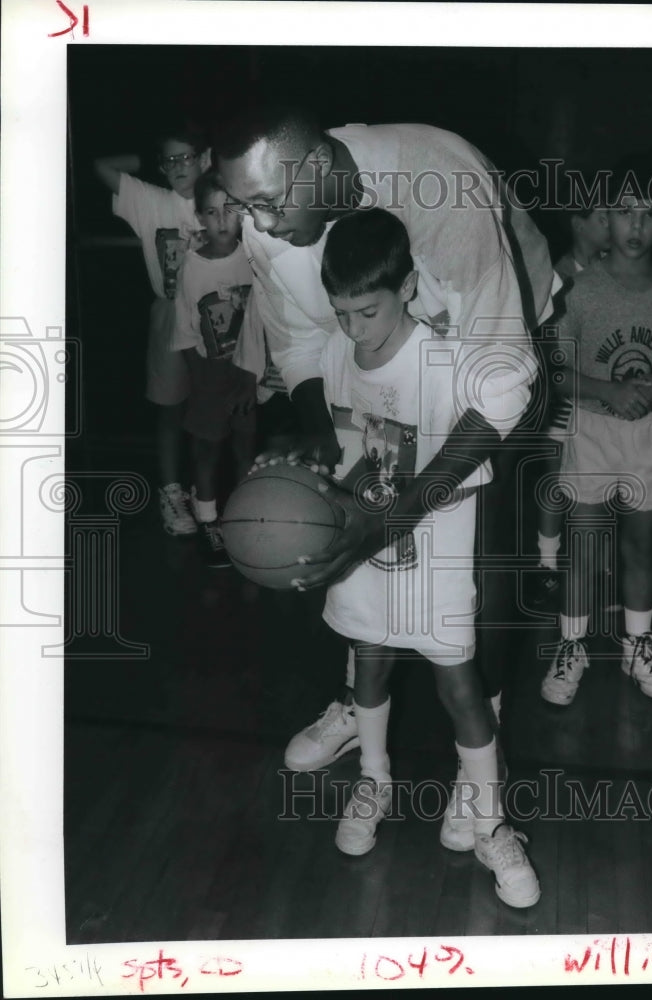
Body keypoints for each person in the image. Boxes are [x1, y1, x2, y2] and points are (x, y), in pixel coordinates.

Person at [212, 104, 560, 781]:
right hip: (374, 351)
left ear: (315, 168)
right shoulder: (277, 219)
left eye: (267, 203)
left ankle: (480, 747)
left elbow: (501, 390)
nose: (258, 222)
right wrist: (320, 440)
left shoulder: (437, 190)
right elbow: (302, 343)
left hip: (497, 343)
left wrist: (391, 519)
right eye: (243, 205)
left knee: (477, 557)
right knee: (355, 518)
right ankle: (359, 698)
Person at [308, 208, 540, 908]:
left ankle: (491, 819)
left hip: (435, 563)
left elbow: (511, 395)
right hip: (363, 559)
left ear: (408, 287)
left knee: (460, 688)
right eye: (341, 312)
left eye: (368, 311)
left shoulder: (448, 360)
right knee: (367, 672)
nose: (354, 329)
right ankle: (373, 781)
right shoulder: (331, 356)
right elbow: (334, 440)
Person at [540, 171, 652, 707]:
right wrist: (606, 390)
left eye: (649, 214)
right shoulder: (577, 289)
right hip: (593, 429)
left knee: (640, 545)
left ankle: (637, 642)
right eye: (625, 211)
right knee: (583, 544)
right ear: (606, 218)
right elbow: (554, 371)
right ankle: (571, 644)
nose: (636, 224)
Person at [94, 120, 209, 535]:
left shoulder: (221, 200)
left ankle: (206, 494)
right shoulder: (151, 200)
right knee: (169, 408)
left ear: (206, 159)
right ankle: (172, 492)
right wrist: (150, 157)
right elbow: (103, 167)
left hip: (218, 318)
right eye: (171, 160)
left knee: (208, 412)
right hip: (169, 314)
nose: (179, 166)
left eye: (187, 157)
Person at [171, 171, 261, 567]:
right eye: (212, 212)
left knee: (245, 446)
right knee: (207, 448)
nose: (222, 220)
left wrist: (255, 372)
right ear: (200, 218)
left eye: (230, 209)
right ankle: (208, 520)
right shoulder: (192, 266)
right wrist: (201, 378)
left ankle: (240, 520)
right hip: (209, 372)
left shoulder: (254, 257)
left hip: (249, 372)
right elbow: (185, 329)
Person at [529, 201, 611, 612]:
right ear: (579, 225)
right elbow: (552, 351)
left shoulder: (613, 273)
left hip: (598, 403)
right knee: (556, 481)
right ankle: (546, 569)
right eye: (603, 218)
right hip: (564, 398)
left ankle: (593, 572)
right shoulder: (560, 277)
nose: (612, 225)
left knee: (597, 483)